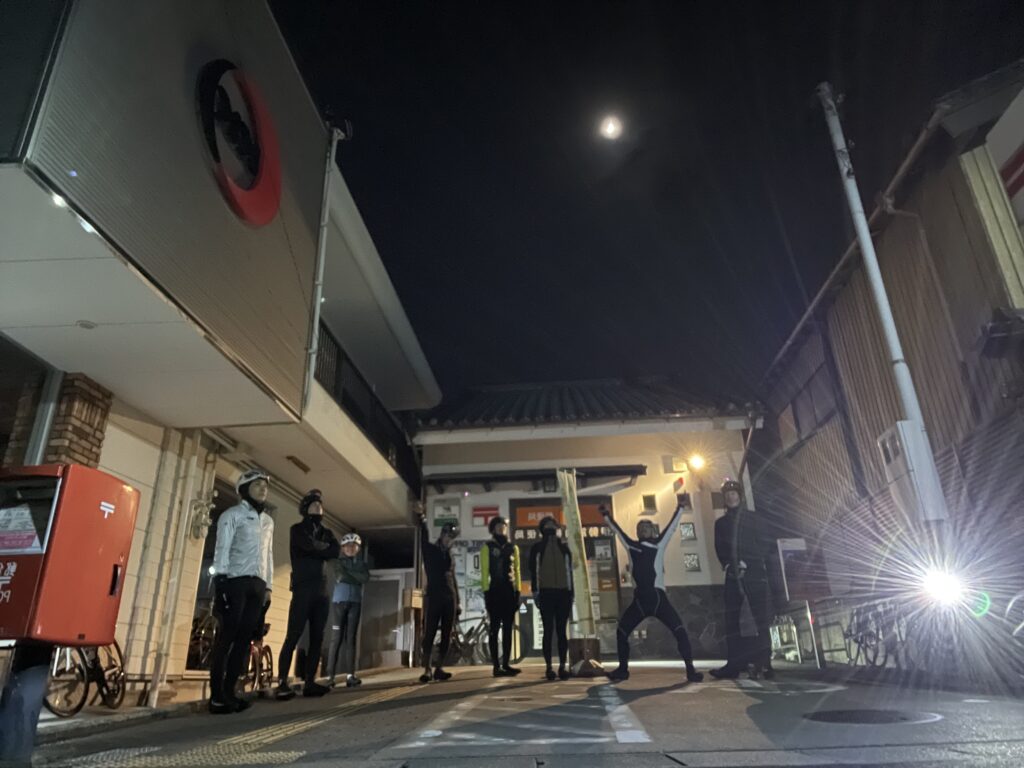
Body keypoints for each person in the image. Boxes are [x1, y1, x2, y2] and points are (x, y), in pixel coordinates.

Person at [602, 501, 703, 683]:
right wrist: (606, 516)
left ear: (653, 531)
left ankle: (690, 670)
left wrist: (680, 508)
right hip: (640, 599)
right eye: (640, 528)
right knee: (622, 631)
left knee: (680, 630)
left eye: (647, 528)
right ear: (637, 532)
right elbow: (618, 532)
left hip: (658, 598)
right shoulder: (631, 545)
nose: (643, 530)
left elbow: (671, 528)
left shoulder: (659, 544)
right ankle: (623, 670)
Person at [209, 469, 275, 714]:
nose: (263, 489)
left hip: (257, 585)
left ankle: (230, 692)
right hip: (234, 581)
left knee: (243, 641)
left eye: (265, 485)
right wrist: (221, 580)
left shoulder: (268, 521)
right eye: (257, 485)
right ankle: (216, 697)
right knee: (226, 638)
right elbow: (222, 547)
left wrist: (269, 586)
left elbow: (268, 554)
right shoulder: (232, 515)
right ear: (244, 489)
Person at [275, 489, 340, 700]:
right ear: (305, 508)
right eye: (313, 504)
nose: (318, 507)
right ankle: (282, 682)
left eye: (320, 505)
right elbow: (309, 547)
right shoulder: (297, 529)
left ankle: (310, 682)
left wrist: (318, 548)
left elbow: (335, 551)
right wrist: (321, 548)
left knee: (317, 637)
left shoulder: (326, 531)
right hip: (303, 588)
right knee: (293, 634)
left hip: (321, 591)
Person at [711, 479, 777, 680]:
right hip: (733, 574)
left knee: (760, 618)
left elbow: (764, 544)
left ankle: (765, 663)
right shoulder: (720, 523)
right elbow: (719, 548)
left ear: (739, 496)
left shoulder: (754, 519)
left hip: (755, 573)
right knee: (731, 620)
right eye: (727, 495)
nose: (730, 497)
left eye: (733, 494)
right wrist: (729, 564)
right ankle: (734, 664)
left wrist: (748, 561)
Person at [417, 504, 460, 683]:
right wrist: (422, 519)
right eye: (448, 536)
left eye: (452, 538)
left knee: (447, 634)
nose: (450, 540)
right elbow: (423, 537)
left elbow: (453, 577)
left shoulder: (450, 555)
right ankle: (427, 669)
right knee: (430, 632)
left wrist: (458, 602)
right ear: (442, 535)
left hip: (449, 597)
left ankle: (439, 668)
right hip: (434, 596)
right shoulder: (430, 550)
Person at [528, 515, 574, 681]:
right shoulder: (537, 548)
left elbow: (569, 570)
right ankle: (548, 667)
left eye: (553, 525)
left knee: (562, 631)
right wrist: (535, 592)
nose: (551, 528)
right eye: (547, 525)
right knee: (548, 631)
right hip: (545, 593)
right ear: (542, 529)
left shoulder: (564, 548)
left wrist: (571, 591)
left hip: (563, 593)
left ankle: (562, 666)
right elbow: (533, 570)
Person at [326, 532, 369, 688]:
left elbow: (365, 578)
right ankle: (330, 676)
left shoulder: (362, 564)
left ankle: (350, 675)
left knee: (351, 639)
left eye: (354, 546)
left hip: (355, 603)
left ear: (358, 548)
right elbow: (340, 577)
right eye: (347, 546)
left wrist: (348, 574)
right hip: (339, 602)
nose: (351, 548)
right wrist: (355, 577)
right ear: (343, 548)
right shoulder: (337, 561)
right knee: (336, 639)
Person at [481, 516, 522, 677]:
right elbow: (484, 572)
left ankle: (506, 664)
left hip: (509, 592)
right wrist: (486, 594)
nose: (501, 527)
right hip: (494, 591)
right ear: (493, 529)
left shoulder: (513, 547)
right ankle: (496, 666)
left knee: (508, 630)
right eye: (498, 525)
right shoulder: (487, 547)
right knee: (494, 628)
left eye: (503, 525)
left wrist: (518, 592)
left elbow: (517, 571)